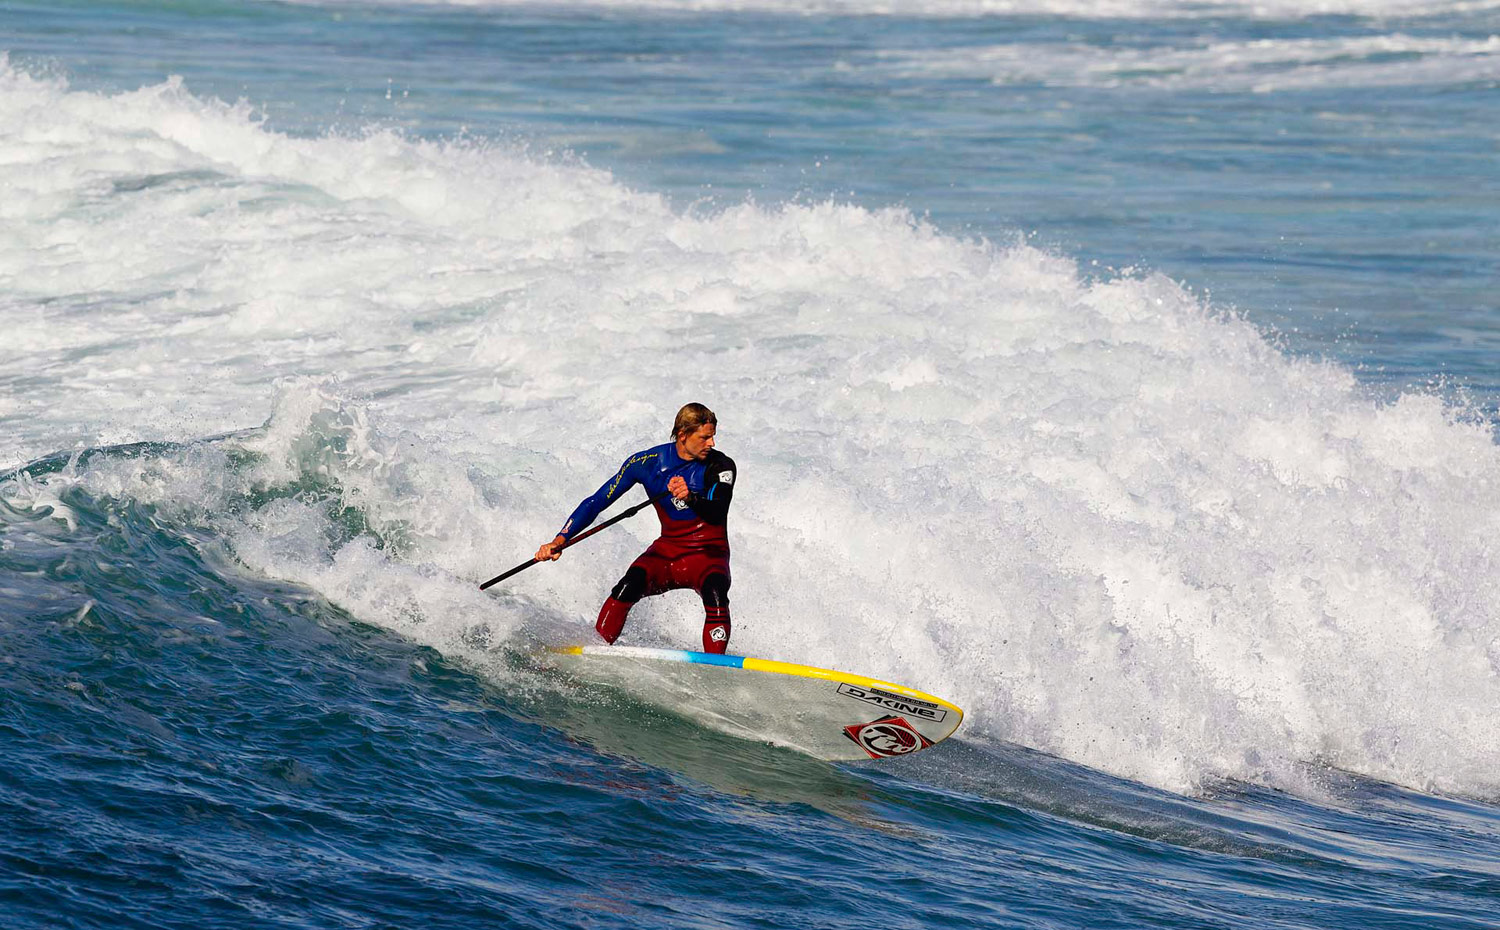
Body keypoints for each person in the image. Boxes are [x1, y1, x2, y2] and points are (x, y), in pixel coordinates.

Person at [535, 403, 737, 653]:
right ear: (683, 435)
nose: (712, 443)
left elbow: (718, 510)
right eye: (705, 437)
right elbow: (597, 501)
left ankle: (714, 670)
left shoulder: (721, 466)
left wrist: (691, 498)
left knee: (715, 593)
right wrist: (560, 538)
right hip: (669, 551)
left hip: (709, 554)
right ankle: (595, 651)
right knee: (627, 586)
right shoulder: (645, 463)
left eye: (713, 436)